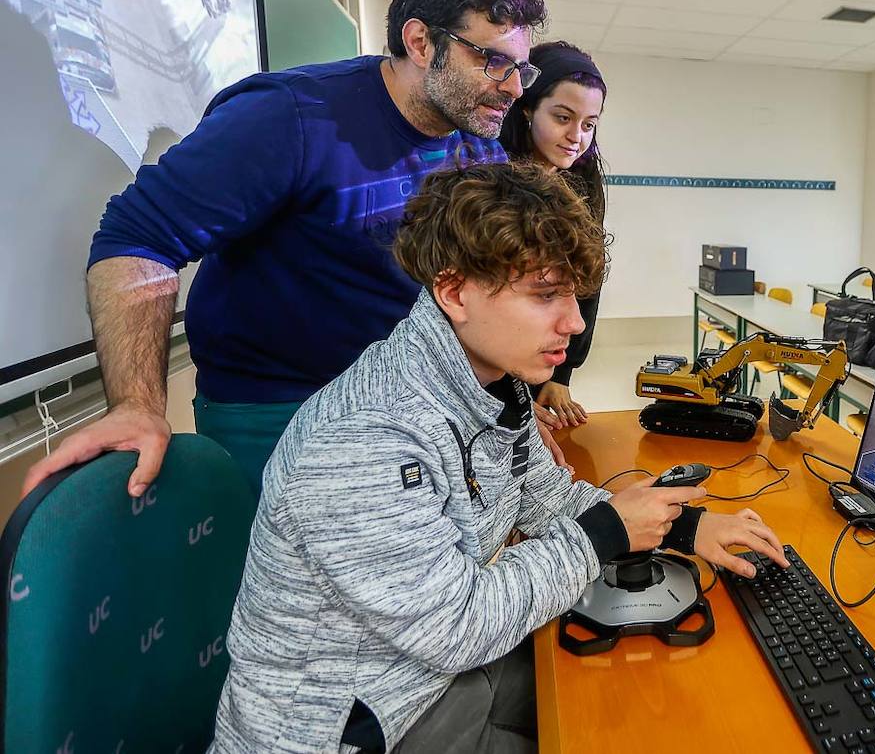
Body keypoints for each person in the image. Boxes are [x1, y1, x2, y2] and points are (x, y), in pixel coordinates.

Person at [209, 162, 789, 753]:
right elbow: (454, 625)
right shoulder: (365, 438)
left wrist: (682, 525)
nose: (575, 321)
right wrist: (605, 534)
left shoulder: (488, 383)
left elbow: (548, 499)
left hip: (430, 678)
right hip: (359, 725)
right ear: (454, 290)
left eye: (574, 295)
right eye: (545, 294)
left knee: (651, 698)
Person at [21, 0, 567, 500]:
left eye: (522, 67)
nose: (515, 88)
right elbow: (137, 238)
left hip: (406, 404)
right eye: (493, 61)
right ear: (421, 42)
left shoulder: (477, 146)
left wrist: (506, 412)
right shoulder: (289, 117)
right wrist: (137, 405)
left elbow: (480, 293)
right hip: (276, 411)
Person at [498, 41, 607, 431]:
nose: (576, 136)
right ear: (526, 109)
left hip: (541, 365)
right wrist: (514, 401)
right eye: (563, 117)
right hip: (490, 374)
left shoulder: (582, 185)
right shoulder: (491, 185)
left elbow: (586, 288)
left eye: (589, 124)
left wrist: (561, 377)